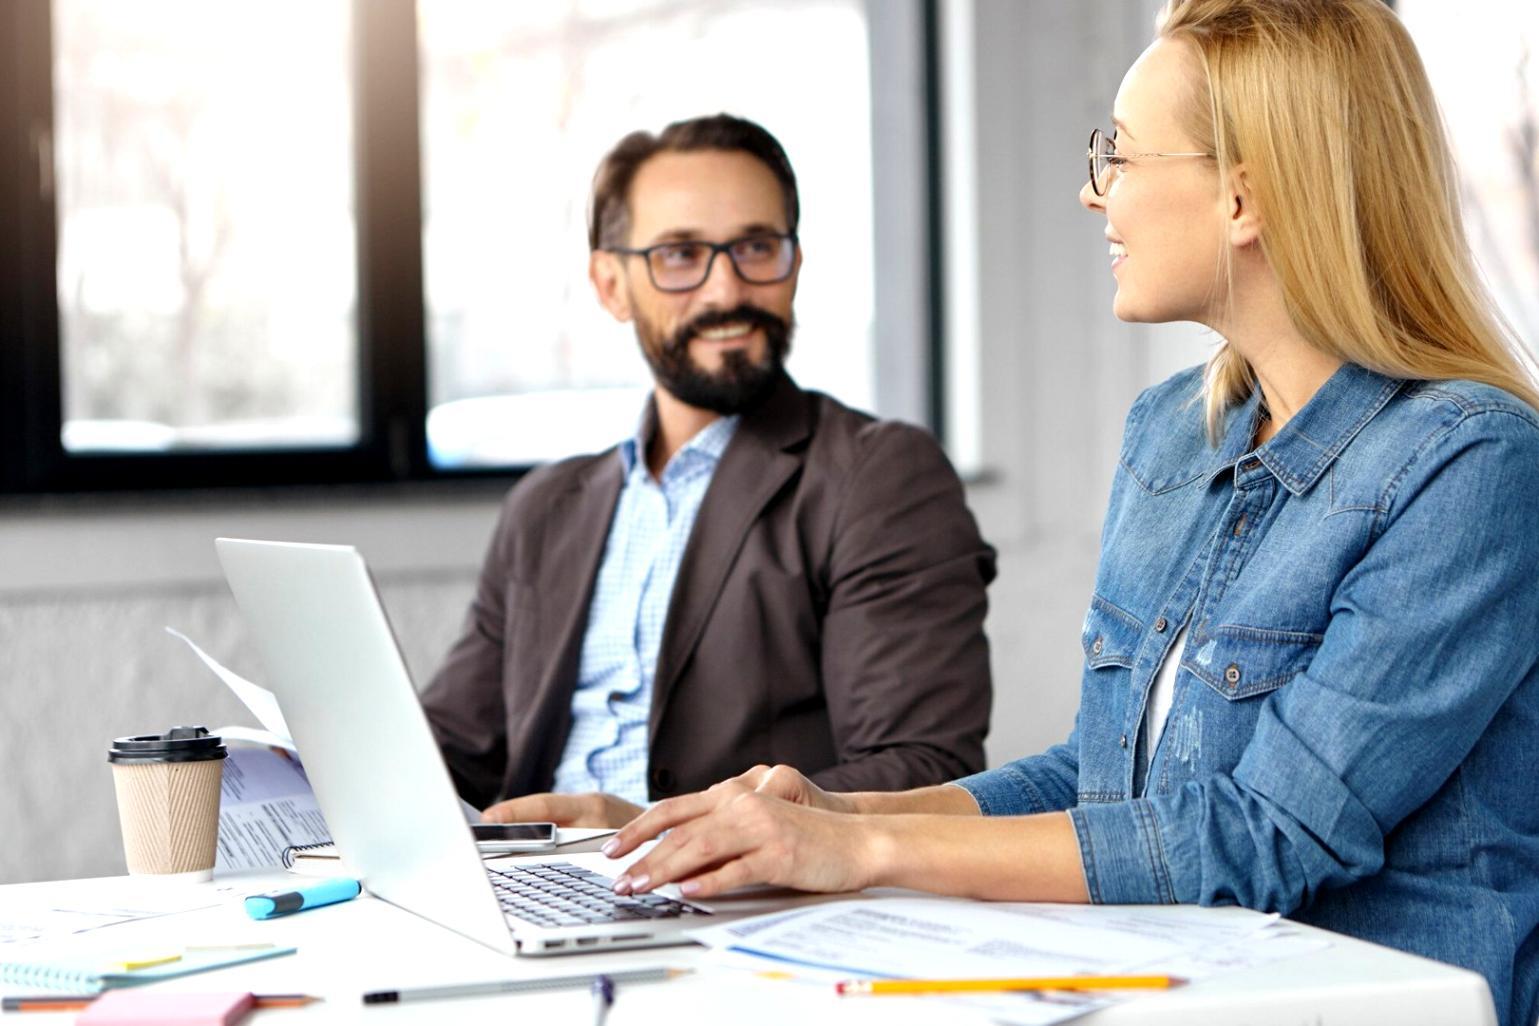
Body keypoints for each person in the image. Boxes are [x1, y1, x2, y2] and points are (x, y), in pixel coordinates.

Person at [604, 5, 1539, 1024]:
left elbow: (1263, 836)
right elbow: (1108, 778)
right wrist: (837, 812)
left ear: (1244, 194)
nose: (1093, 193)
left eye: (1121, 156)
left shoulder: (1473, 463)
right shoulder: (1174, 432)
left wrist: (867, 850)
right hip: (1179, 989)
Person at [420, 114, 996, 830]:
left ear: (795, 262)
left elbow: (921, 769)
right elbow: (443, 753)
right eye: (680, 254)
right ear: (610, 285)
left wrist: (659, 829)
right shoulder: (545, 508)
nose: (726, 291)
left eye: (757, 247)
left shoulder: (876, 477)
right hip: (527, 887)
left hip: (735, 907)